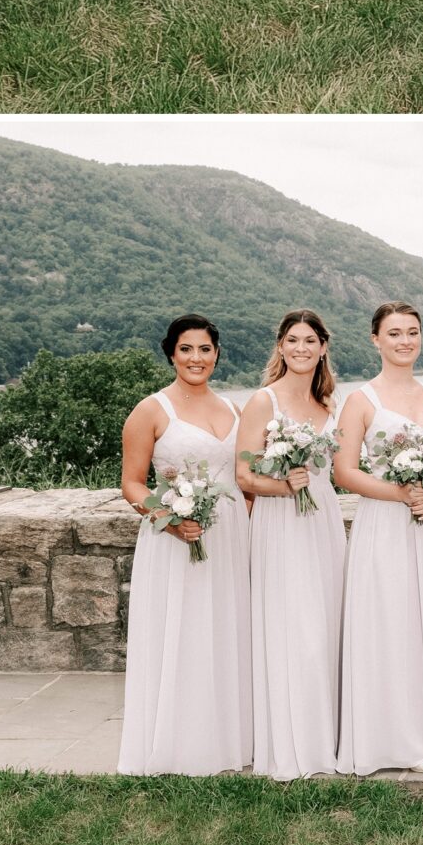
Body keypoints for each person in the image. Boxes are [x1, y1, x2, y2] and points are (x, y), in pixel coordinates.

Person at [117, 313, 251, 773]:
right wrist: (170, 520)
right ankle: (180, 741)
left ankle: (229, 735)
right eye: (187, 349)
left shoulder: (235, 410)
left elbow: (244, 479)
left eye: (205, 349)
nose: (197, 358)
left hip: (232, 535)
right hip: (176, 538)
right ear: (171, 353)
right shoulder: (151, 410)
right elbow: (132, 484)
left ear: (217, 354)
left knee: (227, 628)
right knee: (184, 629)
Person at [334, 299, 423, 772]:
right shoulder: (362, 400)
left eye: (412, 332)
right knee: (392, 623)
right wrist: (401, 494)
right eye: (394, 333)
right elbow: (344, 471)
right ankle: (396, 738)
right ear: (375, 339)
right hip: (385, 526)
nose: (405, 341)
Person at [238, 308, 344, 778]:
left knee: (323, 625)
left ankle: (326, 737)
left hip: (322, 521)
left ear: (323, 348)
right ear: (280, 347)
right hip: (281, 523)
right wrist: (284, 486)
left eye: (310, 341)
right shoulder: (264, 402)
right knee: (292, 628)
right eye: (292, 340)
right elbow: (243, 474)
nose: (302, 348)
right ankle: (292, 743)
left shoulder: (328, 407)